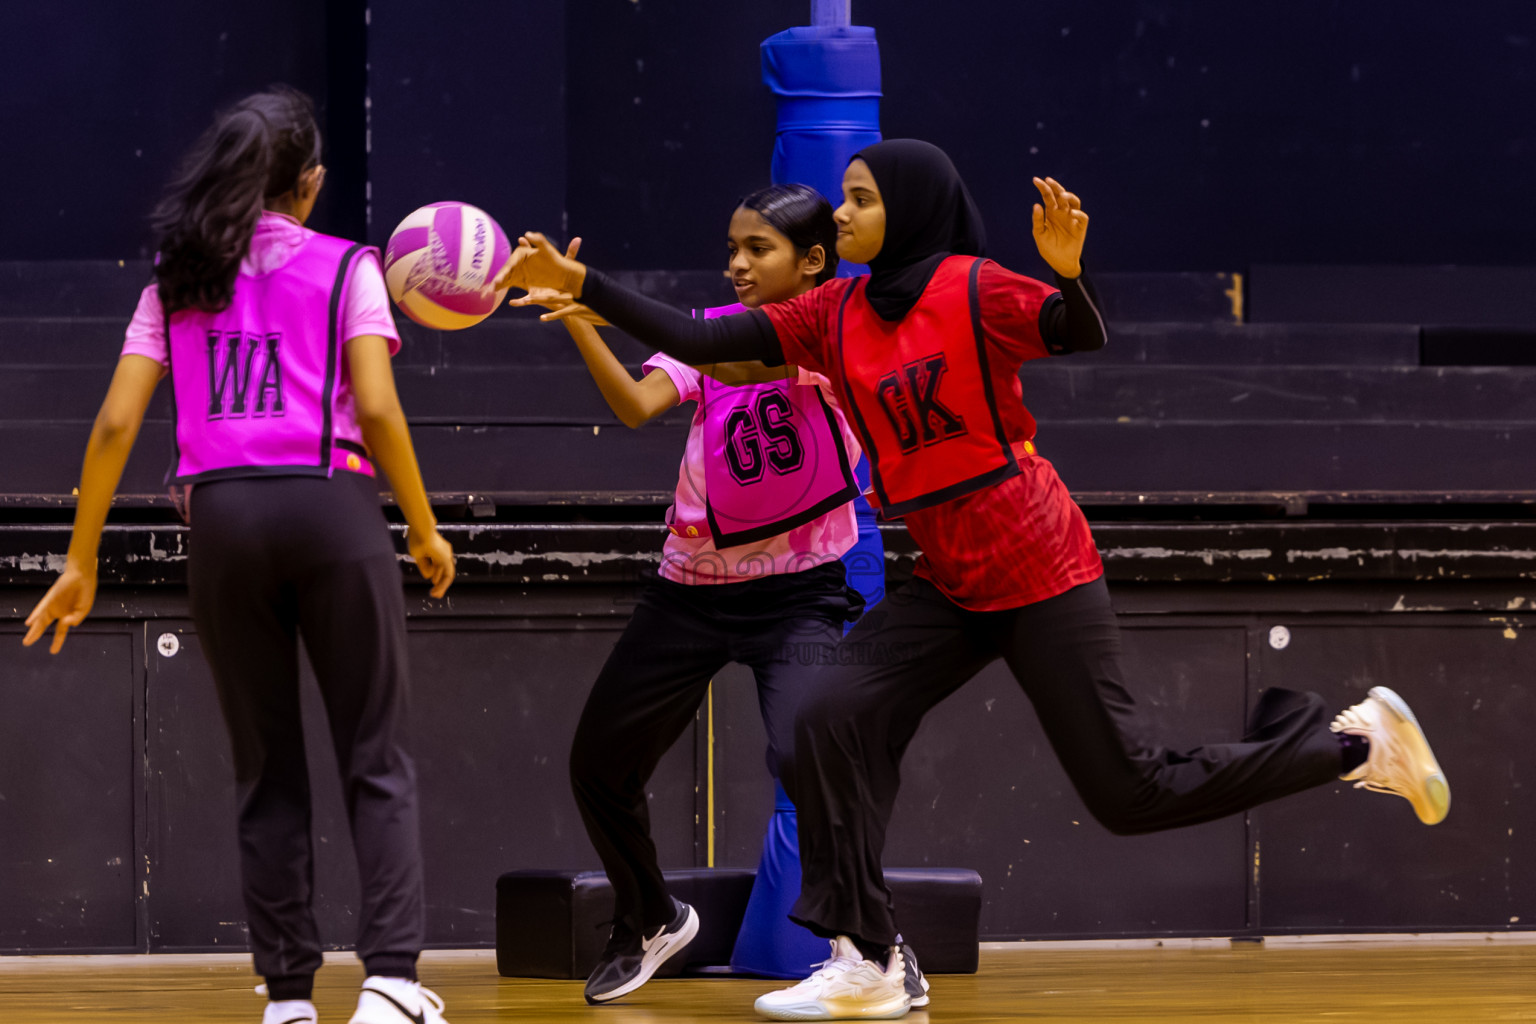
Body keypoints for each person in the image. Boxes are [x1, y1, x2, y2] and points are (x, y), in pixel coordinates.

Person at [500, 138, 1450, 1021]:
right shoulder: (831, 312)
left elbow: (1077, 337)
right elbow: (701, 341)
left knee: (1129, 793)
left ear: (909, 211)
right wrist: (582, 284)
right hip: (951, 573)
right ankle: (868, 957)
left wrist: (1071, 274)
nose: (842, 214)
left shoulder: (971, 288)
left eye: (861, 201)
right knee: (828, 711)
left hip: (1035, 558)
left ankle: (1353, 748)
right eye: (842, 200)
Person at [22, 87, 458, 1024]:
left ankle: (289, 997)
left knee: (266, 765)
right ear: (308, 184)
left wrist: (80, 560)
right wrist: (422, 527)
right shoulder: (350, 267)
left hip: (219, 519)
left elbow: (112, 425)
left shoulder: (175, 281)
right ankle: (389, 981)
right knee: (373, 754)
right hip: (328, 503)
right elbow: (378, 412)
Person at [510, 184, 913, 1005]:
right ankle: (653, 918)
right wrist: (587, 326)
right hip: (689, 592)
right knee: (600, 762)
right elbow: (635, 404)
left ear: (811, 262)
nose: (736, 263)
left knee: (814, 757)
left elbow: (727, 354)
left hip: (800, 594)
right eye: (730, 247)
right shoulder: (702, 330)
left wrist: (600, 295)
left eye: (757, 250)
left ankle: (876, 947)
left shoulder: (833, 329)